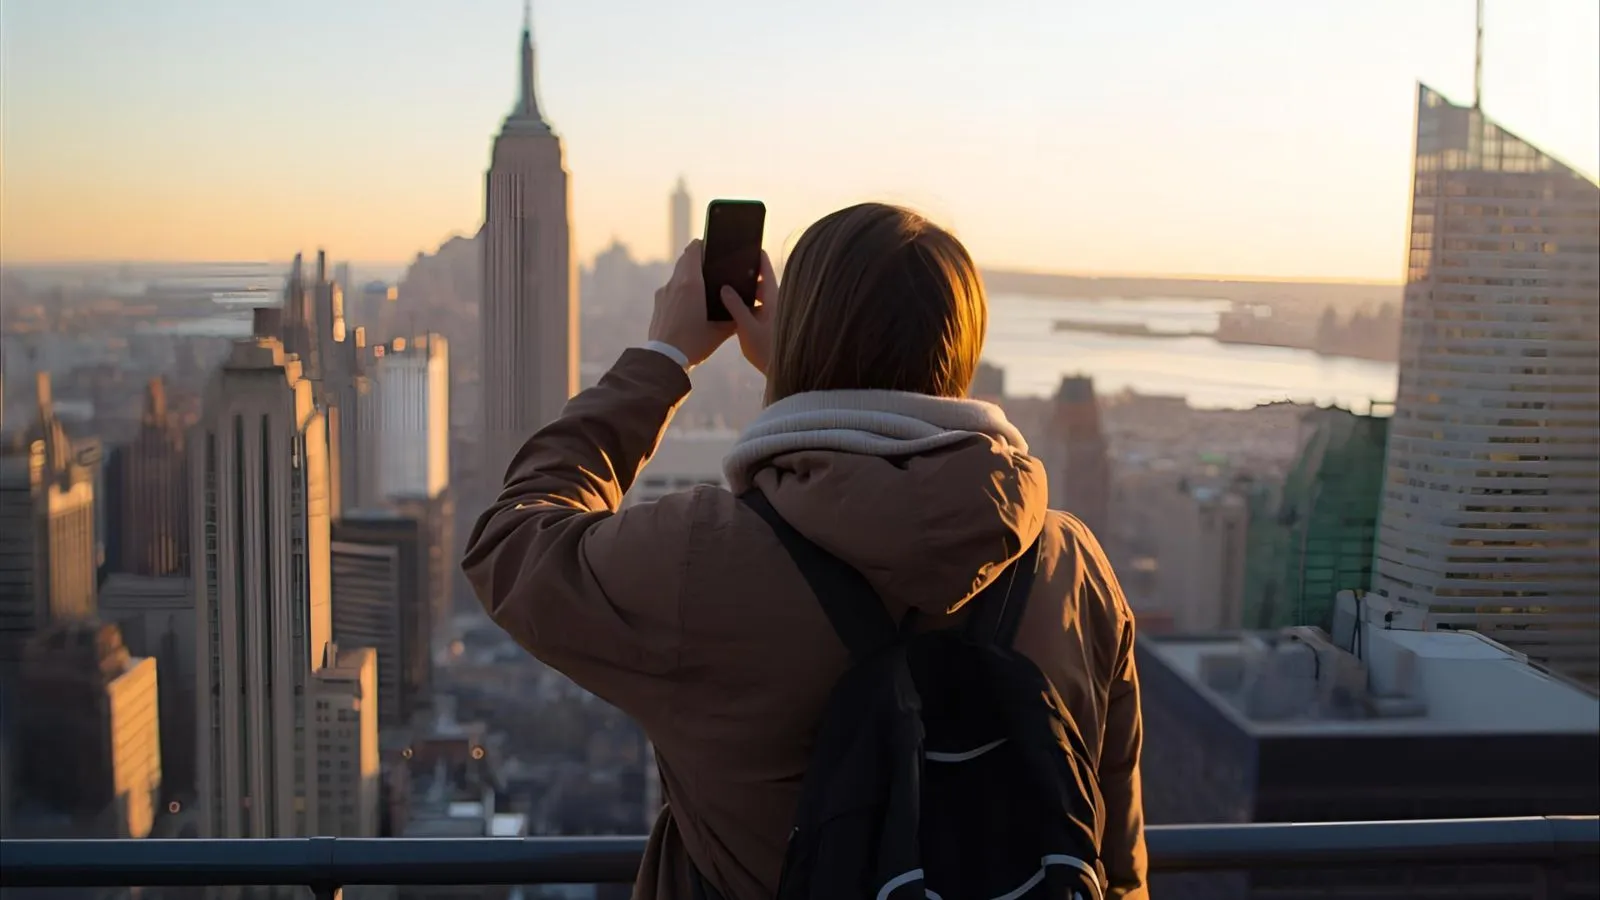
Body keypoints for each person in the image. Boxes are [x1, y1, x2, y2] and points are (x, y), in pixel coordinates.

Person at [463, 202, 1148, 899]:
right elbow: (1114, 856)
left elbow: (511, 542)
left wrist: (664, 357)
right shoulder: (1073, 567)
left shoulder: (704, 559)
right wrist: (803, 379)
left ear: (799, 333)